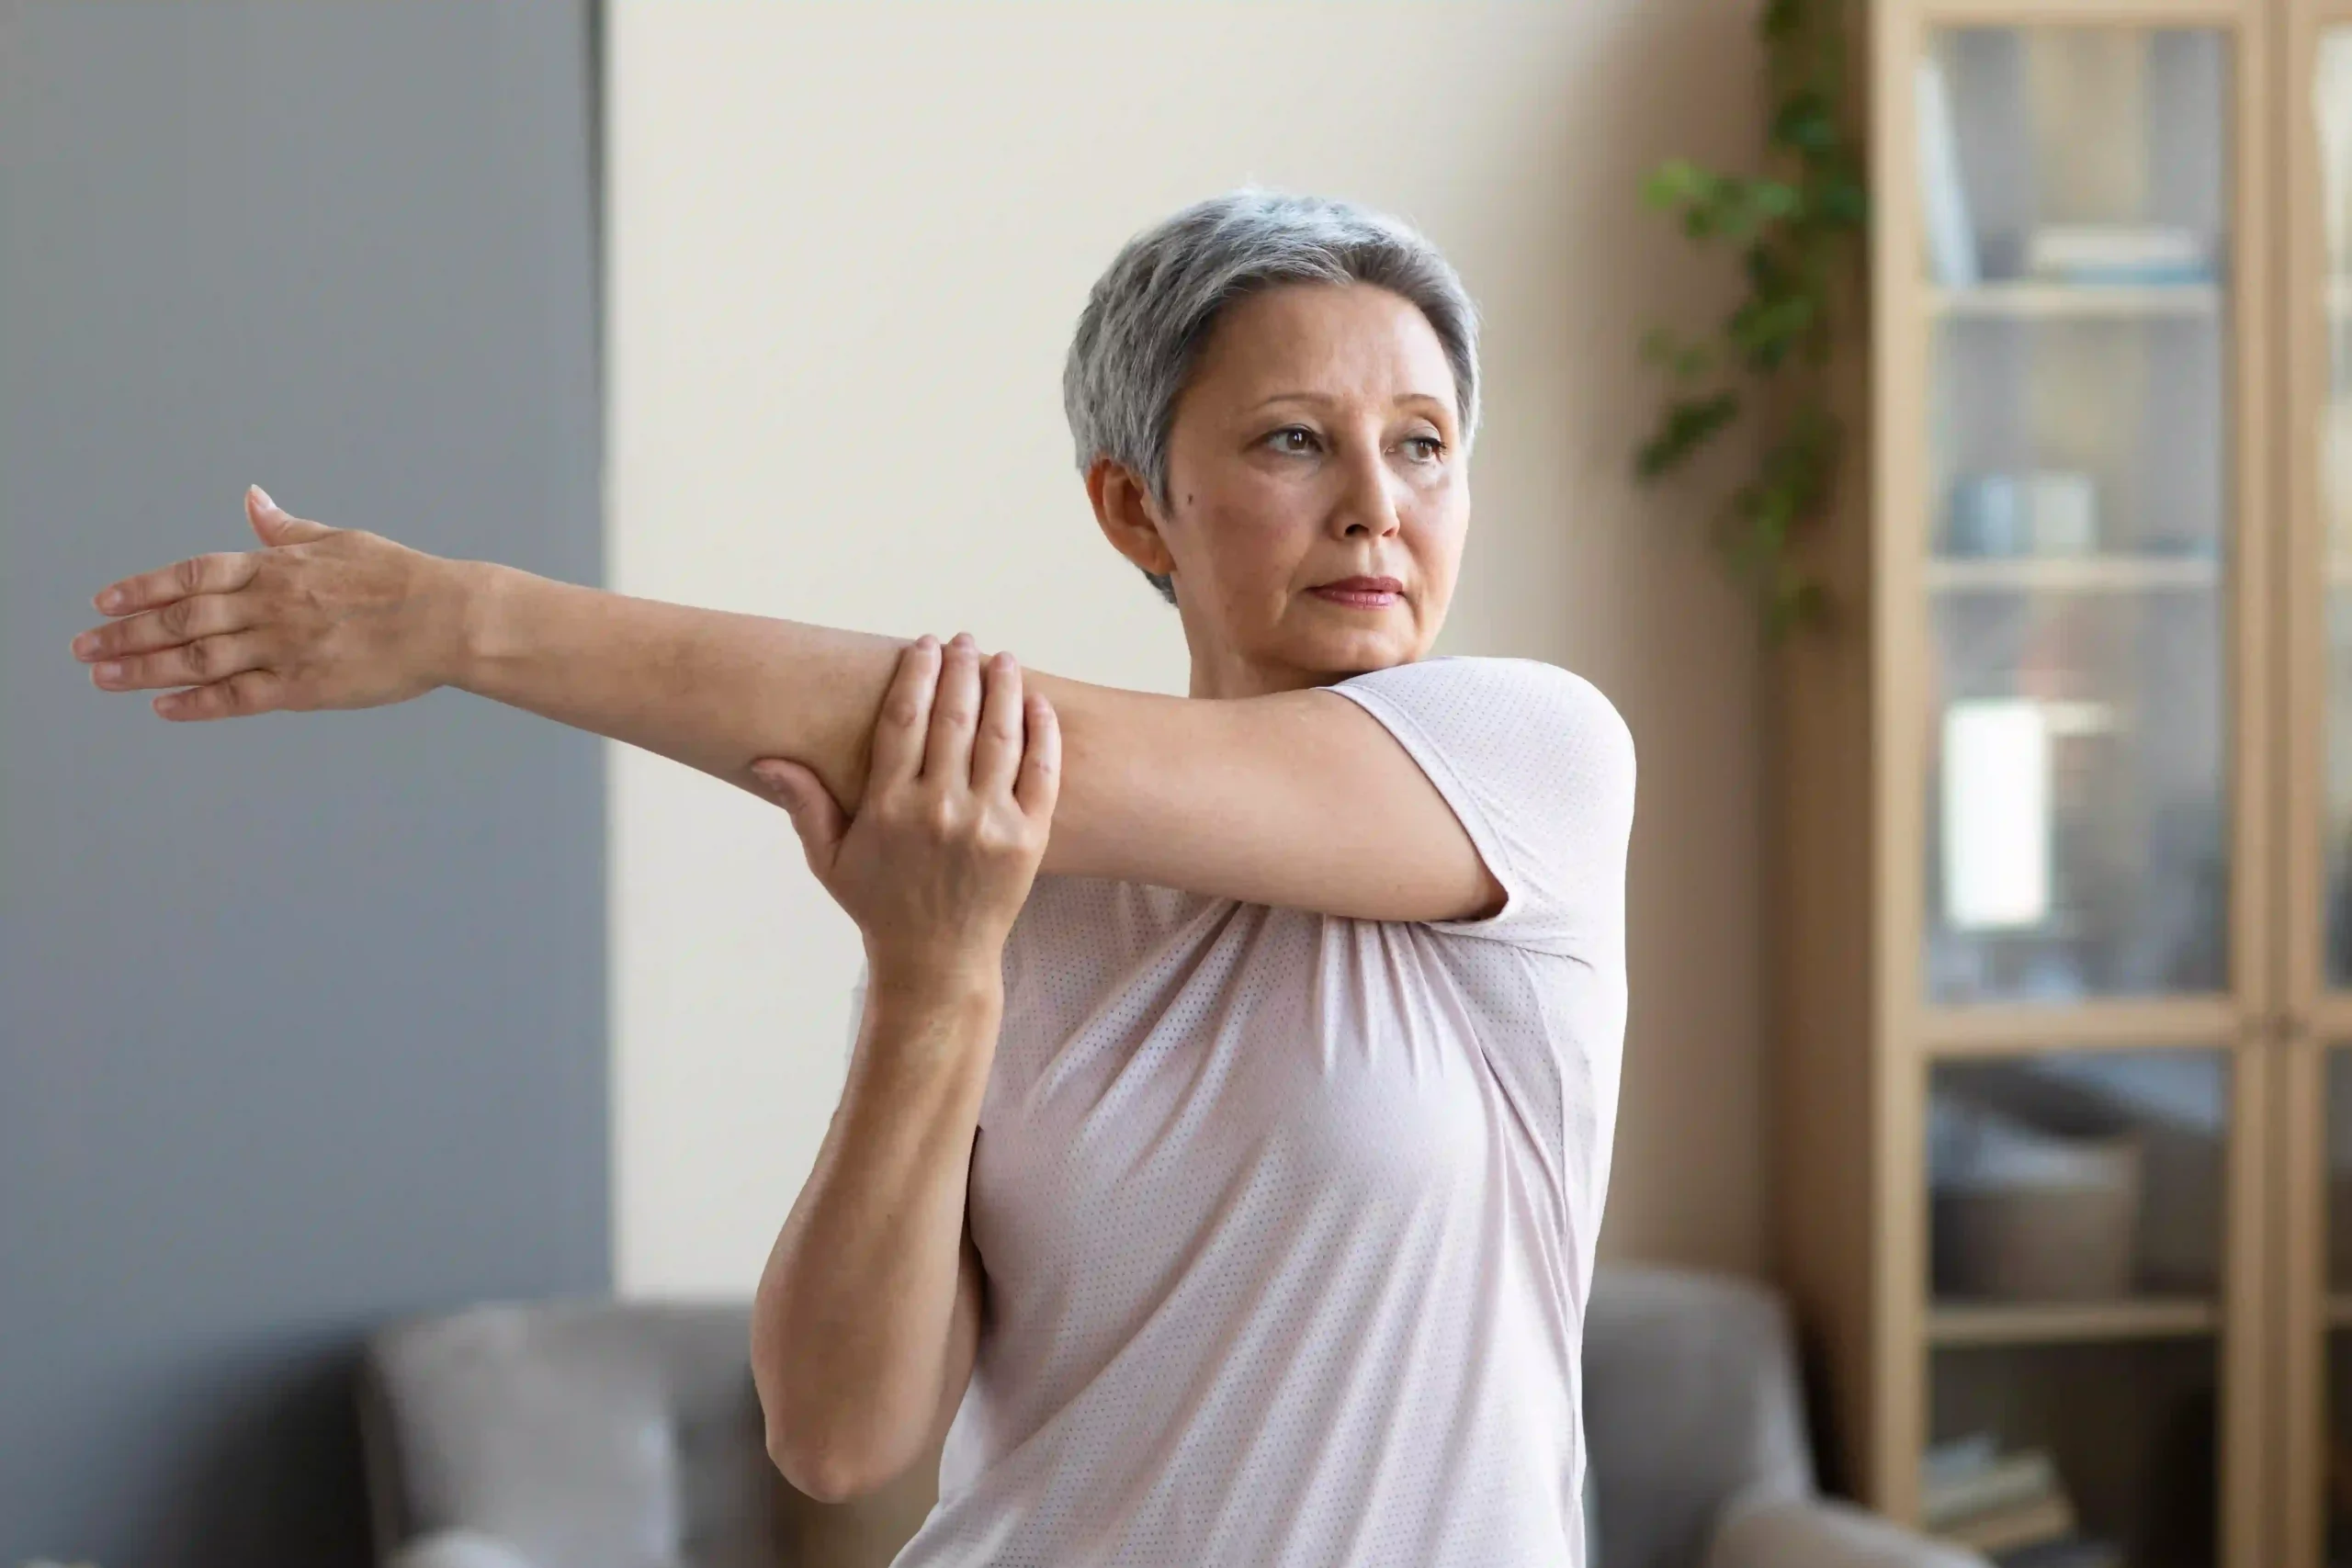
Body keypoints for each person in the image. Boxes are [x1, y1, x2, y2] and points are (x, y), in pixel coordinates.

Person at [69, 188, 1634, 1567]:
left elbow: (972, 731)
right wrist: (931, 970)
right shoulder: (996, 864)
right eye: (1297, 437)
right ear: (1134, 503)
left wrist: (463, 623)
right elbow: (835, 1432)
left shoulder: (1534, 760)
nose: (1376, 497)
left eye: (1423, 444)